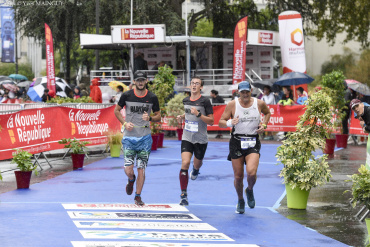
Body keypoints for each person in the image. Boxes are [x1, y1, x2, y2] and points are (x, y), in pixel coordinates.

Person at [218, 81, 271, 214]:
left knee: (252, 172)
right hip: (236, 141)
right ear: (238, 92)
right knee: (238, 176)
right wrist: (230, 122)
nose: (245, 94)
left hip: (252, 140)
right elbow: (221, 122)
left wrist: (263, 126)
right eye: (243, 92)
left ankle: (250, 190)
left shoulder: (259, 103)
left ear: (251, 90)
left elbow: (267, 113)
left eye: (247, 91)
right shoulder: (232, 104)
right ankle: (240, 200)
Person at [114, 70, 161, 206]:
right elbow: (116, 110)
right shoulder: (126, 95)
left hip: (145, 139)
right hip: (129, 138)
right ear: (134, 82)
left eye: (143, 80)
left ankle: (138, 196)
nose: (140, 83)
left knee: (141, 168)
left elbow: (159, 116)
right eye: (138, 80)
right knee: (129, 170)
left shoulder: (152, 97)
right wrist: (124, 123)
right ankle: (131, 179)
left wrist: (150, 118)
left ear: (146, 81)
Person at [176, 77, 214, 206]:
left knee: (197, 164)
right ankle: (183, 194)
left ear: (201, 87)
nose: (194, 85)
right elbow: (188, 114)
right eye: (192, 83)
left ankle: (196, 170)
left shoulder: (205, 101)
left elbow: (211, 121)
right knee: (185, 162)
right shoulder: (185, 100)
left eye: (197, 84)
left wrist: (199, 115)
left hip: (201, 139)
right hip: (187, 137)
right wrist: (182, 116)